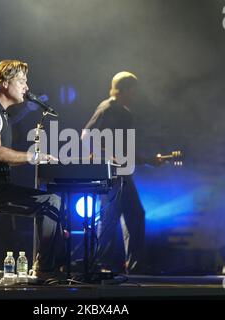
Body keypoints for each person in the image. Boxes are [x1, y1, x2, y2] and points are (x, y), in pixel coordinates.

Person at [0, 59, 65, 277]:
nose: (26, 87)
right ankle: (44, 270)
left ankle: (49, 266)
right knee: (51, 201)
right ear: (4, 84)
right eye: (21, 81)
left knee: (50, 201)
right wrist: (32, 157)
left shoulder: (1, 112)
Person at [82, 71, 146, 274]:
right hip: (110, 174)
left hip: (122, 174)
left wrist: (151, 160)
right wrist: (108, 155)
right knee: (111, 217)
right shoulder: (108, 108)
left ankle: (131, 267)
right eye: (134, 91)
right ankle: (100, 265)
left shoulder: (123, 113)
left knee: (133, 215)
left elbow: (126, 151)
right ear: (125, 90)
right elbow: (86, 137)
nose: (136, 96)